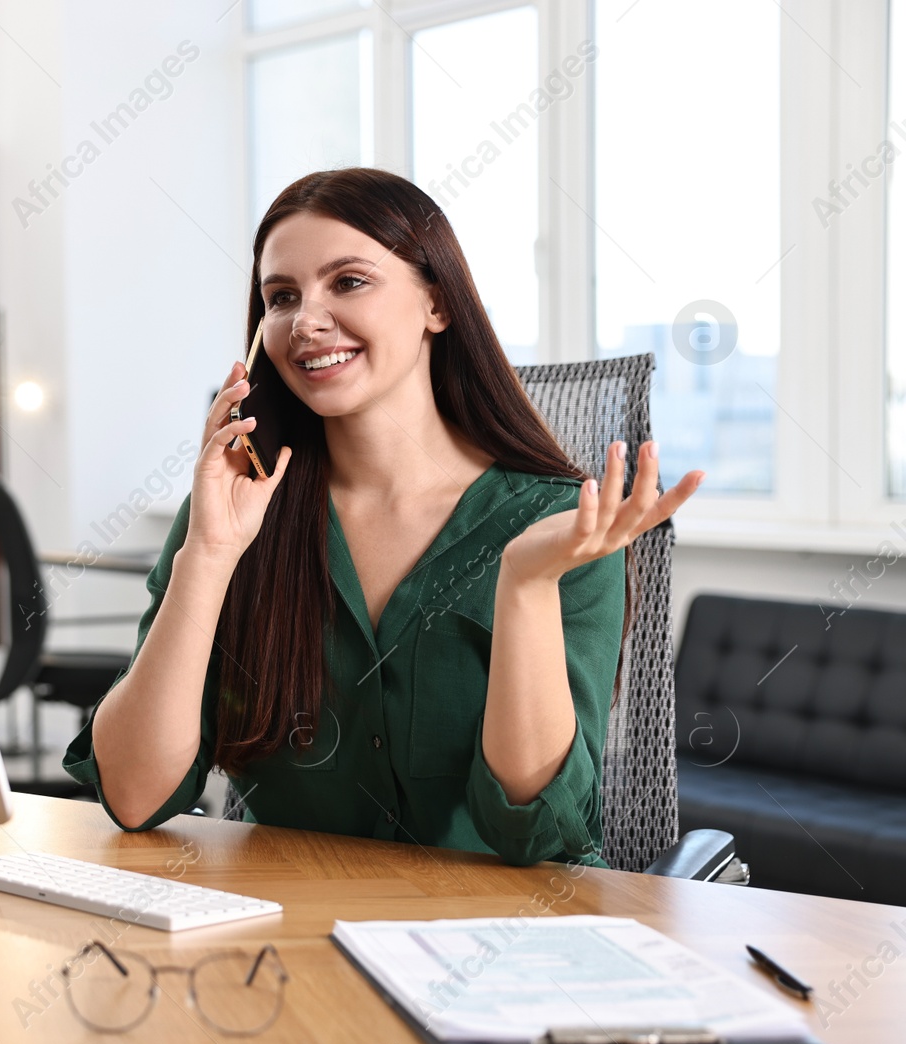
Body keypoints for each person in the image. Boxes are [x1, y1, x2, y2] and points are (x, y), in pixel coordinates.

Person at [63, 167, 705, 867]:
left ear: (437, 303)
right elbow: (133, 795)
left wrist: (526, 583)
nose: (306, 320)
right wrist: (208, 558)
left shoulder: (557, 524)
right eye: (282, 297)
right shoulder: (236, 509)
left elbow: (537, 837)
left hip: (509, 944)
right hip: (296, 939)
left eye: (348, 282)